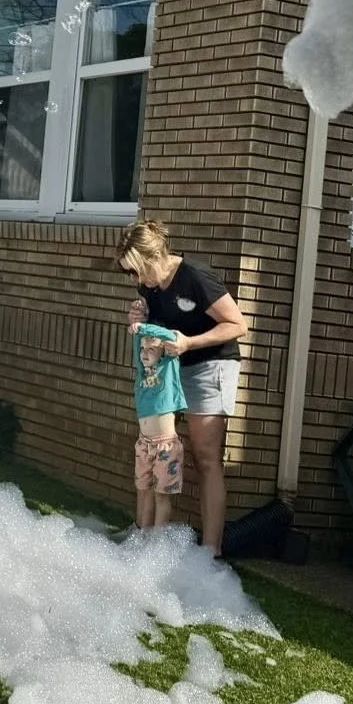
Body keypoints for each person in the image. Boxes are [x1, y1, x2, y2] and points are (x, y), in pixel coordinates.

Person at [118, 219, 249, 556]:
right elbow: (157, 326)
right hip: (173, 367)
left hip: (210, 365)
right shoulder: (150, 287)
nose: (136, 280)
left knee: (206, 456)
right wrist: (138, 320)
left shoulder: (195, 277)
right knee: (155, 446)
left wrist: (190, 342)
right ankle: (146, 533)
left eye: (137, 271)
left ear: (153, 258)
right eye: (130, 274)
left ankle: (211, 551)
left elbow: (237, 325)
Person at [131, 321, 186, 535]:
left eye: (151, 349)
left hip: (165, 446)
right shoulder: (142, 375)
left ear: (163, 352)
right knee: (143, 490)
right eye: (143, 349)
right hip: (144, 444)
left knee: (161, 495)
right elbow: (138, 343)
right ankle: (141, 537)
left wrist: (144, 328)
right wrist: (139, 334)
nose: (144, 353)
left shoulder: (168, 369)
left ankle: (157, 546)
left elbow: (171, 337)